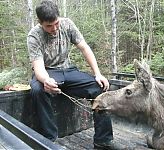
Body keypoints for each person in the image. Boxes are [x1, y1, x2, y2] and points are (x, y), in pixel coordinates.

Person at [27, 0, 124, 149]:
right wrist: (46, 80)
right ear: (40, 22)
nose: (54, 29)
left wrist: (97, 74)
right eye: (49, 26)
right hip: (48, 71)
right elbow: (38, 67)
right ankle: (49, 139)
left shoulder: (67, 24)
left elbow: (84, 48)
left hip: (68, 70)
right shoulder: (34, 36)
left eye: (56, 23)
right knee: (37, 90)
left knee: (99, 87)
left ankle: (102, 140)